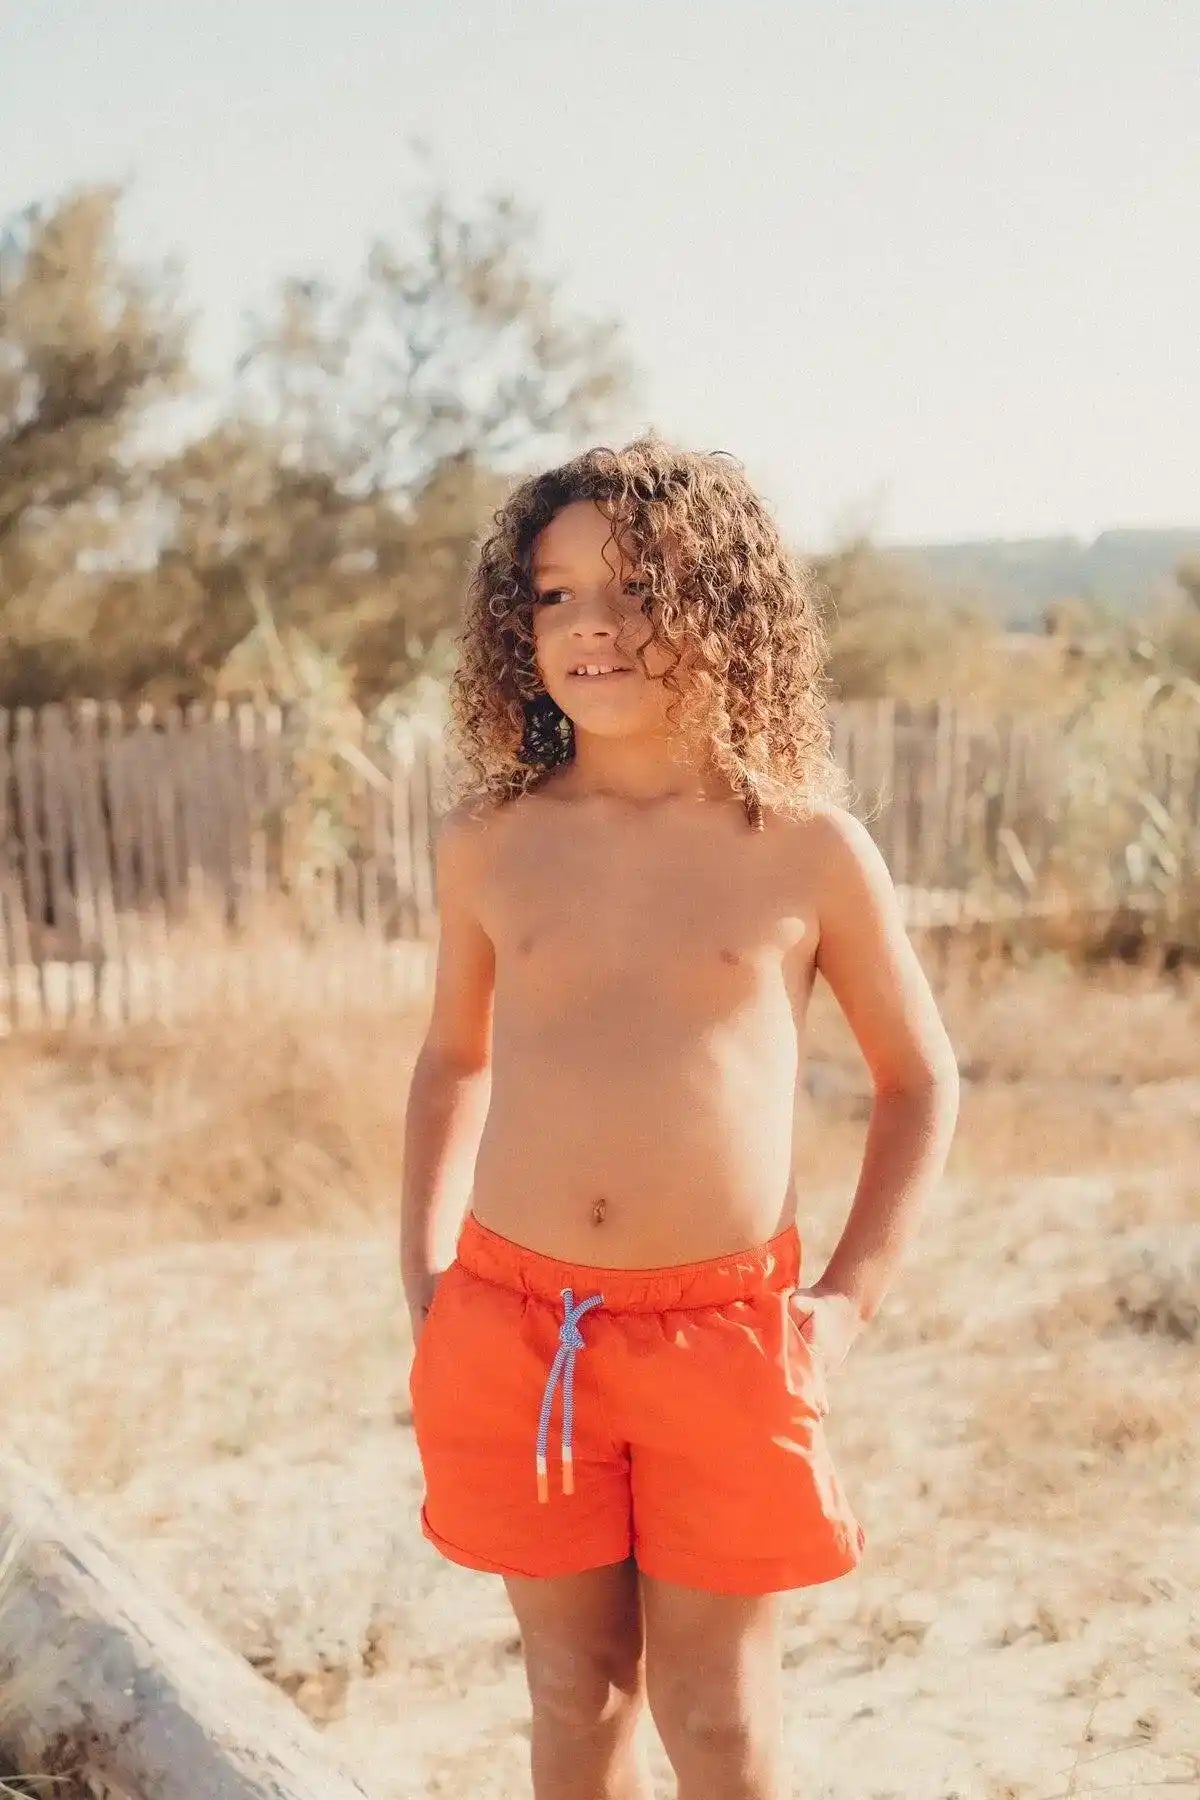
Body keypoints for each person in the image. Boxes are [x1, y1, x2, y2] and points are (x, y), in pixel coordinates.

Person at [399, 436, 960, 1800]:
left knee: (714, 1715)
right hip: (523, 1326)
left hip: (727, 1338)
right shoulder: (492, 839)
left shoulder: (809, 848)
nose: (592, 624)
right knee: (573, 1691)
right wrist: (423, 1274)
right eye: (553, 594)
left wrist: (847, 1304)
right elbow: (451, 1057)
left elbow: (920, 1080)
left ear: (726, 604)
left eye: (639, 586)